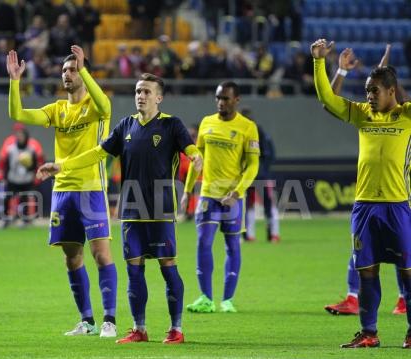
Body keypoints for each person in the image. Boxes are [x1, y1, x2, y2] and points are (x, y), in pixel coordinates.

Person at [37, 73, 203, 344]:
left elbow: (192, 150)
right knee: (133, 270)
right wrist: (62, 166)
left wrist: (196, 159)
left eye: (147, 92)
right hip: (130, 209)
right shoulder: (126, 125)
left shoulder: (172, 125)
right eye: (138, 91)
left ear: (159, 98)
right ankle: (139, 328)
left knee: (167, 266)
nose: (141, 96)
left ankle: (176, 329)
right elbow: (97, 153)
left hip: (160, 208)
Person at [7, 45, 118, 338]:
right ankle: (87, 321)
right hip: (63, 192)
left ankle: (110, 320)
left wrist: (83, 69)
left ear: (83, 72)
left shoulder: (96, 106)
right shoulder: (57, 109)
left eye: (72, 69)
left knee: (101, 255)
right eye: (65, 71)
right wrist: (15, 81)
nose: (67, 74)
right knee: (72, 257)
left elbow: (106, 107)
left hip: (91, 188)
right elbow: (16, 112)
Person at [311, 38, 411, 348]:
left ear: (391, 91)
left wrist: (389, 73)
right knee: (366, 272)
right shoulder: (361, 114)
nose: (368, 96)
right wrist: (321, 63)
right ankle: (369, 333)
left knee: (407, 274)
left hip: (399, 206)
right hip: (365, 207)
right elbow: (327, 99)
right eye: (367, 91)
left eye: (375, 91)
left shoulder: (407, 116)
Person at [182, 81, 260, 314]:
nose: (220, 102)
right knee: (203, 242)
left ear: (236, 100)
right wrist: (187, 191)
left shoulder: (248, 127)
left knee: (232, 245)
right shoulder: (207, 123)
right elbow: (197, 161)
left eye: (225, 98)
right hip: (208, 194)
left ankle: (227, 299)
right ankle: (206, 298)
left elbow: (253, 166)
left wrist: (237, 193)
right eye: (218, 98)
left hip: (233, 198)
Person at [240, 107, 279, 243]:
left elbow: (268, 154)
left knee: (263, 204)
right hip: (251, 175)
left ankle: (271, 234)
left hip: (259, 175)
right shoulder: (251, 131)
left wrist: (262, 170)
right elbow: (270, 154)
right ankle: (252, 235)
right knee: (250, 205)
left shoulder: (257, 132)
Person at [0, 122, 44, 227]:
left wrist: (30, 167)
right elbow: (5, 163)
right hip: (13, 179)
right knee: (7, 198)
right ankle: (6, 219)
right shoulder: (10, 148)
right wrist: (3, 176)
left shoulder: (32, 148)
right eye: (18, 135)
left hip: (26, 179)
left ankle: (25, 220)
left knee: (24, 199)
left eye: (22, 135)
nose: (20, 137)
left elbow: (36, 164)